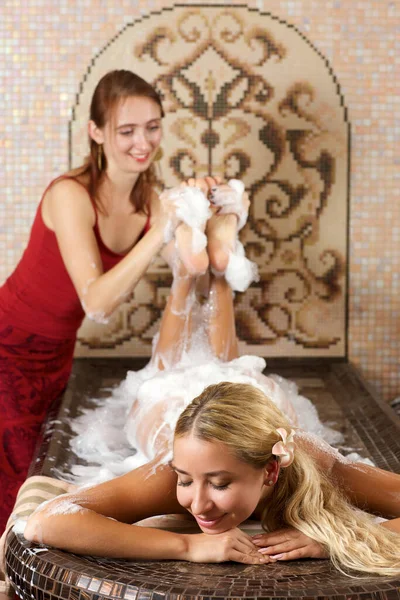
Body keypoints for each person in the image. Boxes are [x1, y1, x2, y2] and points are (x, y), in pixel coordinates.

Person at [23, 255, 400, 577]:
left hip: (249, 392)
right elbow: (48, 520)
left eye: (219, 484)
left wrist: (330, 538)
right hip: (166, 399)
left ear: (271, 470)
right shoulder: (167, 473)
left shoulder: (308, 459)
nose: (198, 504)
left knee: (234, 367)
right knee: (165, 369)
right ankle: (192, 271)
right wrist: (187, 545)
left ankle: (219, 266)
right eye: (187, 481)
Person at [0, 67, 235, 533]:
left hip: (55, 354)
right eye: (126, 131)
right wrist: (158, 228)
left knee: (29, 473)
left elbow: (194, 267)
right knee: (9, 478)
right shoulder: (71, 194)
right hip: (6, 345)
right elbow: (97, 303)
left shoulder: (149, 200)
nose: (141, 143)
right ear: (97, 132)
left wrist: (215, 212)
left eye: (152, 127)